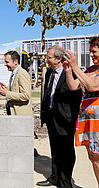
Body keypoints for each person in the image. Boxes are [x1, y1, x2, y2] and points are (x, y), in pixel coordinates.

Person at [64, 35, 99, 188]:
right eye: (90, 52)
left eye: (94, 52)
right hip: (87, 117)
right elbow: (74, 86)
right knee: (93, 157)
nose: (91, 55)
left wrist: (76, 67)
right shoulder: (91, 69)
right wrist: (68, 70)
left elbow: (93, 86)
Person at [37, 45, 82, 187]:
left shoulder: (72, 73)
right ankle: (54, 177)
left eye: (49, 57)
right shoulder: (49, 73)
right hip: (51, 117)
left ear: (58, 58)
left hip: (65, 119)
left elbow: (76, 96)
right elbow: (48, 94)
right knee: (55, 149)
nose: (46, 59)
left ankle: (65, 182)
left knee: (66, 152)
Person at [0, 50, 33, 115]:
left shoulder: (22, 73)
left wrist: (7, 93)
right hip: (14, 113)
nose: (5, 64)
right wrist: (6, 88)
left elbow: (26, 95)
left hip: (21, 115)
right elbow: (16, 90)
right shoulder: (14, 73)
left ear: (15, 61)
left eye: (7, 62)